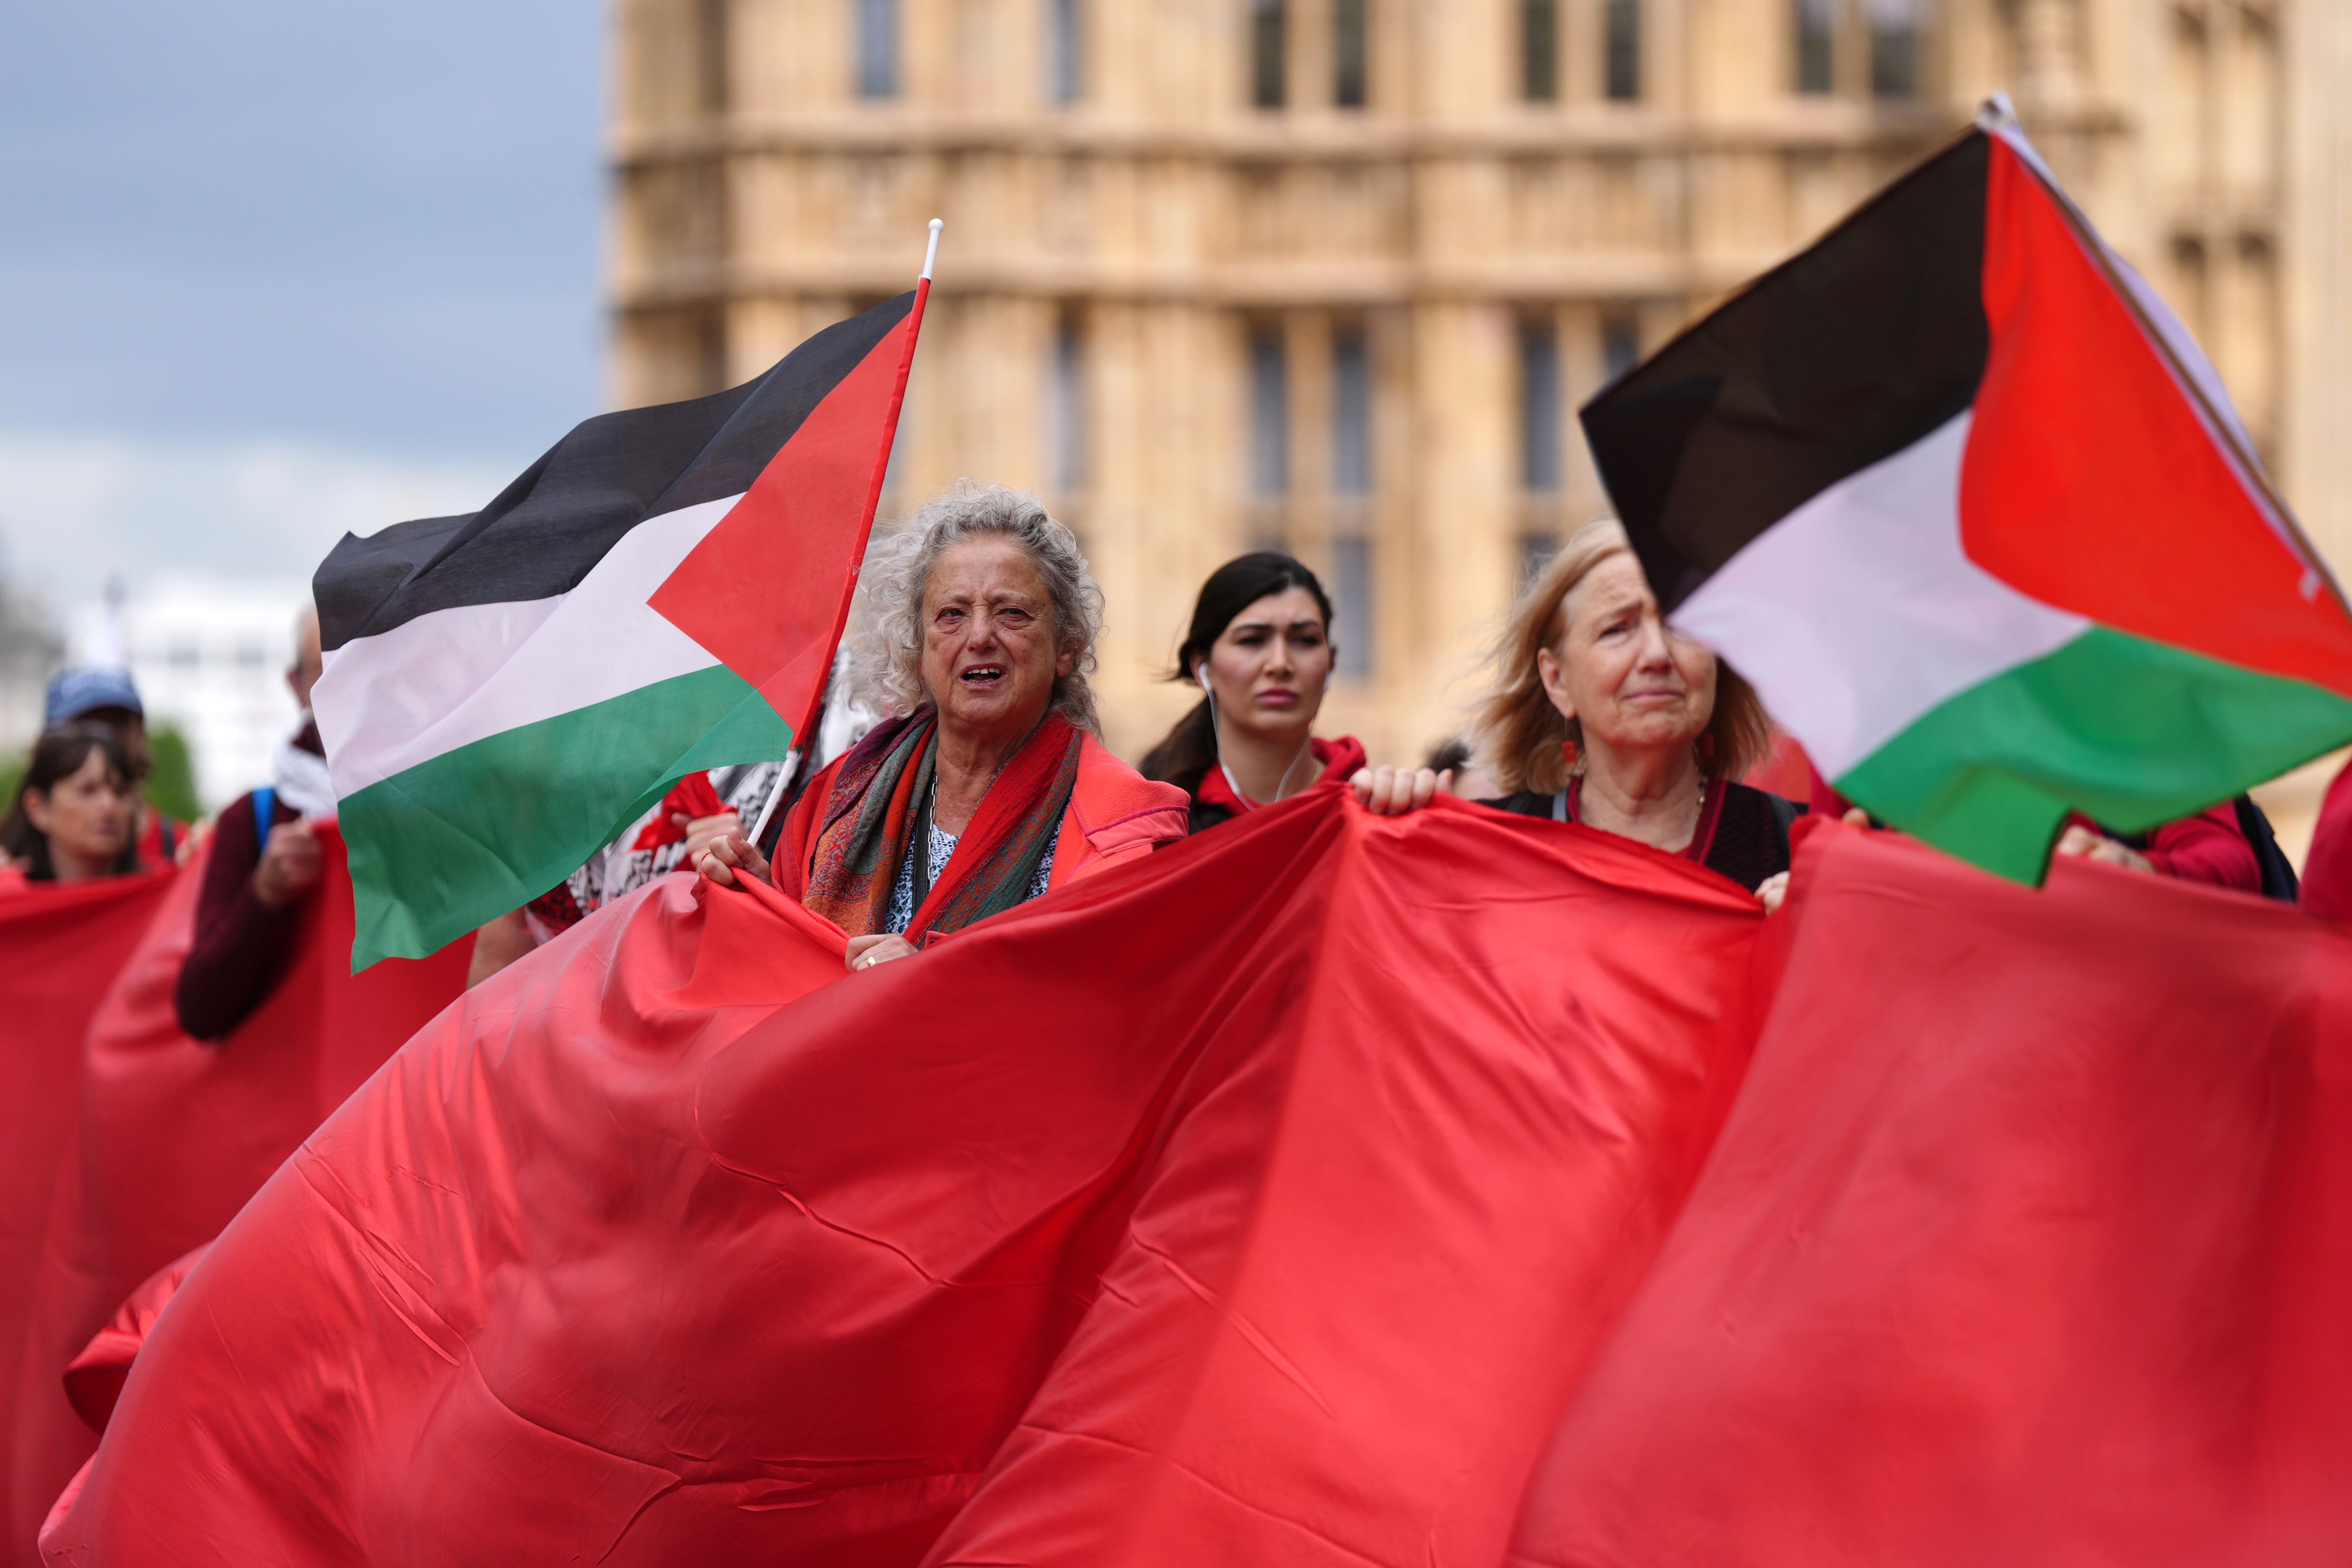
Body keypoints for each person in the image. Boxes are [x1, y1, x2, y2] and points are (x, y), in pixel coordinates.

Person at [700, 483, 1190, 971]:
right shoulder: (833, 800)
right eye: (951, 615)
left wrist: (938, 978)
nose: (980, 637)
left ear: (1067, 646)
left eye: (1012, 613)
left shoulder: (1122, 829)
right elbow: (789, 981)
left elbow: (1110, 1001)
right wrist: (764, 903)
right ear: (916, 651)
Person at [1354, 517, 1795, 907]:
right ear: (1557, 680)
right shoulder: (1497, 848)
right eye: (1617, 630)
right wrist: (1382, 836)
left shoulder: (1795, 844)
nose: (1657, 654)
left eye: (1681, 625)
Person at [172, 608, 338, 1040]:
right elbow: (198, 1010)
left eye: (362, 657)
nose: (347, 680)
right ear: (296, 685)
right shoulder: (251, 821)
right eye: (327, 665)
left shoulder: (444, 800)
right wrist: (262, 895)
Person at [1138, 553, 1365, 831]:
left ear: (1331, 663)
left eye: (1305, 640)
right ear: (1202, 667)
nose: (1280, 664)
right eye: (1252, 640)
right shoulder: (1150, 823)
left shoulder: (1371, 805)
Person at [43, 665, 185, 866]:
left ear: (142, 733)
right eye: (84, 727)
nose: (104, 738)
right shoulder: (13, 867)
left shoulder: (184, 852)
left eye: (118, 723)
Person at [0, 725, 145, 884]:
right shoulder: (8, 896)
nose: (109, 805)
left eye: (120, 792)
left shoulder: (161, 898)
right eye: (88, 791)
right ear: (38, 808)